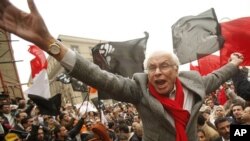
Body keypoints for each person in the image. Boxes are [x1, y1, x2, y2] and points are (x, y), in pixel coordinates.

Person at [0, 0, 244, 141]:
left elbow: (219, 75)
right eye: (151, 67)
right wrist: (49, 43)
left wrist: (233, 62)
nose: (157, 72)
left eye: (164, 66)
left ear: (176, 69)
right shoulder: (138, 89)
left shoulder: (196, 84)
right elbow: (97, 76)